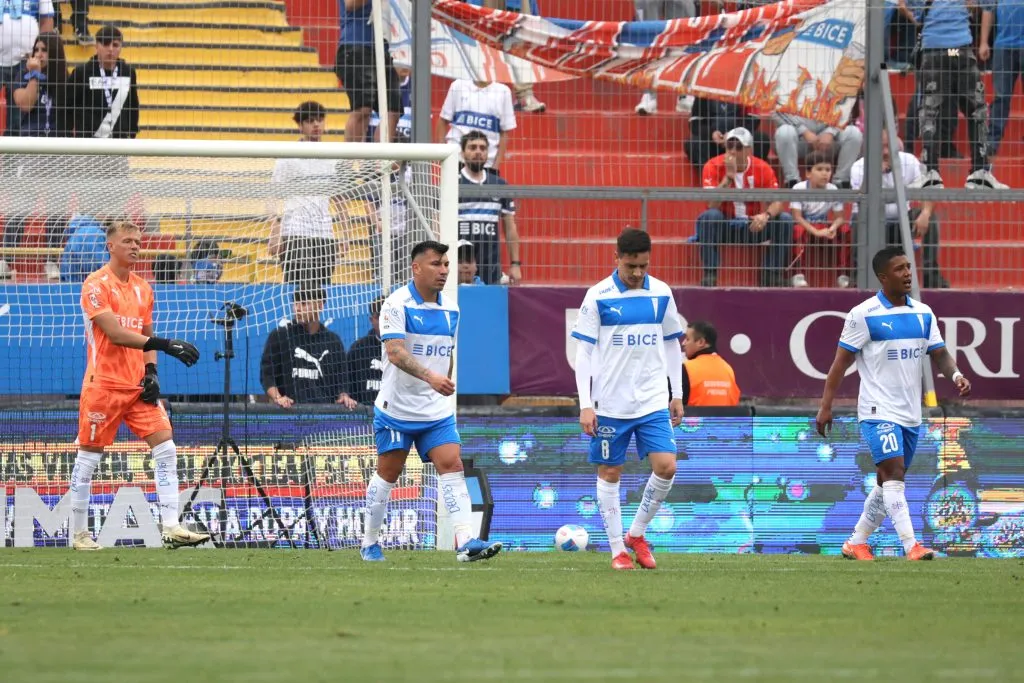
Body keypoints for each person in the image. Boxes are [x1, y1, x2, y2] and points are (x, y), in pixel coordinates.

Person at [816, 246, 972, 561]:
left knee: (885, 480)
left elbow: (939, 353)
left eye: (908, 267)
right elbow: (839, 363)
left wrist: (955, 375)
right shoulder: (863, 314)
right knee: (895, 472)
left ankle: (856, 542)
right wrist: (825, 405)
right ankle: (911, 545)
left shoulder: (923, 313)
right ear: (883, 277)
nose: (907, 274)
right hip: (877, 410)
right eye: (899, 269)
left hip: (910, 412)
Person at [66, 219, 206, 551]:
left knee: (166, 446)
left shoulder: (144, 288)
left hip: (136, 385)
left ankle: (171, 525)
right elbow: (116, 334)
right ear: (110, 246)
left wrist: (153, 373)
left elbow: (143, 333)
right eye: (127, 240)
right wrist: (166, 344)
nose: (134, 246)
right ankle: (80, 534)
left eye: (138, 241)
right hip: (103, 385)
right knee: (89, 457)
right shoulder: (95, 284)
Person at [361, 239, 502, 563]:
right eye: (436, 264)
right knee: (388, 473)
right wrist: (432, 378)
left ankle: (466, 542)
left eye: (446, 264)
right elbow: (395, 353)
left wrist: (443, 381)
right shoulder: (397, 305)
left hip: (435, 410)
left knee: (452, 464)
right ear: (416, 267)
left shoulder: (451, 308)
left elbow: (446, 354)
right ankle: (369, 543)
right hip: (397, 408)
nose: (444, 270)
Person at [571, 228, 684, 570]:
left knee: (667, 467)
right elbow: (584, 353)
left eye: (643, 266)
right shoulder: (598, 296)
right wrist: (585, 403)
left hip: (651, 400)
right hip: (610, 404)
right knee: (610, 472)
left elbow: (671, 343)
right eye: (631, 265)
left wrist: (675, 392)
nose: (637, 273)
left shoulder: (662, 293)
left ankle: (637, 533)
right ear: (616, 258)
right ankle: (618, 550)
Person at [900, 0, 1005, 189]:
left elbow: (914, 12)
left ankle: (930, 172)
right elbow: (988, 4)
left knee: (930, 112)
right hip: (960, 48)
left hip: (934, 49)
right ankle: (979, 171)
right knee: (977, 111)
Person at [850, 129, 949, 289]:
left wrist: (925, 212)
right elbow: (861, 204)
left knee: (930, 217)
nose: (885, 152)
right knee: (857, 219)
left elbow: (927, 188)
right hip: (874, 223)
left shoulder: (909, 161)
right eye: (881, 147)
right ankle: (857, 277)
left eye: (889, 146)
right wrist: (873, 174)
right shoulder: (860, 166)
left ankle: (931, 277)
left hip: (903, 221)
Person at [695, 127, 794, 288]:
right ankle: (710, 274)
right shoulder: (712, 165)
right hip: (724, 226)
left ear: (749, 150)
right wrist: (728, 177)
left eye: (739, 147)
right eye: (729, 146)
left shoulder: (762, 167)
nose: (733, 151)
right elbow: (711, 204)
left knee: (785, 219)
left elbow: (778, 202)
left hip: (753, 225)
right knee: (710, 216)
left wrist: (766, 215)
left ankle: (771, 274)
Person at [268, 101, 341, 290]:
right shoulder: (288, 156)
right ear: (300, 126)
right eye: (310, 121)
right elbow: (273, 196)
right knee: (297, 290)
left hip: (324, 234)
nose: (316, 125)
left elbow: (339, 197)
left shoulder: (333, 156)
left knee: (322, 291)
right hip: (295, 232)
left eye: (320, 120)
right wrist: (275, 233)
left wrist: (345, 234)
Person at [260, 286, 357, 408]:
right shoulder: (280, 336)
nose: (298, 308)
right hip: (288, 414)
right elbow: (267, 377)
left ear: (320, 306)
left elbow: (342, 381)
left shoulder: (334, 342)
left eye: (304, 303)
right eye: (295, 303)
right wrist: (278, 398)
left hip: (325, 418)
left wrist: (344, 396)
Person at [457, 131, 521, 284]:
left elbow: (510, 227)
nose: (478, 152)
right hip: (459, 269)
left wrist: (515, 264)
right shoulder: (452, 182)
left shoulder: (499, 185)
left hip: (491, 268)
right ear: (462, 152)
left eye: (482, 148)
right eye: (472, 147)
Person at [335, 0, 400, 144]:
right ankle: (350, 164)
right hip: (355, 45)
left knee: (393, 110)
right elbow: (350, 4)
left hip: (382, 49)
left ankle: (380, 163)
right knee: (363, 109)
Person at [788, 151, 851, 289]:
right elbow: (797, 217)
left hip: (823, 224)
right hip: (805, 224)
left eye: (828, 170)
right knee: (797, 231)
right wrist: (815, 232)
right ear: (808, 173)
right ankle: (798, 275)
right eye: (820, 169)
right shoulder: (798, 188)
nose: (825, 173)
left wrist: (832, 228)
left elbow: (840, 217)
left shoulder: (833, 189)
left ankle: (843, 275)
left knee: (845, 229)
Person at [67, 25, 139, 139]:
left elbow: (133, 103)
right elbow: (68, 104)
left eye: (115, 45)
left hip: (119, 141)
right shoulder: (82, 72)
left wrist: (132, 131)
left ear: (121, 47)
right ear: (96, 46)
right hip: (88, 141)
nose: (110, 49)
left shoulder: (128, 72)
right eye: (106, 44)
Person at [435, 77, 516, 173]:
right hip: (456, 160)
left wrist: (495, 166)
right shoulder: (458, 85)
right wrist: (445, 158)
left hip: (486, 164)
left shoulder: (503, 91)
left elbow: (505, 132)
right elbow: (443, 121)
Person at [680, 321, 740, 406]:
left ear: (701, 342)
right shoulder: (728, 369)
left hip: (694, 418)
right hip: (725, 419)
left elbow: (672, 406)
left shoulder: (687, 368)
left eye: (687, 339)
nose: (683, 343)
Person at [346, 297, 384, 405]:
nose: (384, 320)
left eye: (388, 315)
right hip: (364, 417)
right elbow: (348, 387)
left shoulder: (406, 348)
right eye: (379, 316)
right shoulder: (358, 350)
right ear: (372, 320)